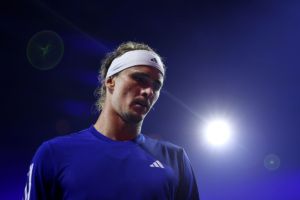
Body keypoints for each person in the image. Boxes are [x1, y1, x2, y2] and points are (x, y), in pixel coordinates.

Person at [23, 41, 200, 200]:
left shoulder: (175, 159)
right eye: (139, 79)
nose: (148, 91)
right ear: (110, 81)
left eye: (156, 85)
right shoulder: (54, 154)